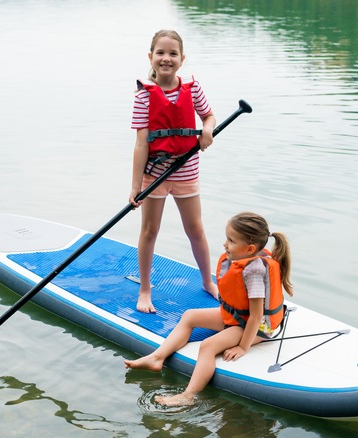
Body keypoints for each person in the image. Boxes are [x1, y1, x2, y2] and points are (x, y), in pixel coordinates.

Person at [124, 212, 294, 406]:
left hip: (257, 327)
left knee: (208, 346)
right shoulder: (245, 259)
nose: (224, 244)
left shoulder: (254, 271)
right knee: (190, 316)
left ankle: (188, 396)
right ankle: (157, 357)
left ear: (250, 249)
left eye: (230, 240)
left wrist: (242, 347)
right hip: (238, 318)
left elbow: (255, 317)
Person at [129, 29, 218, 313]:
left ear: (182, 59)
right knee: (149, 231)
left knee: (195, 228)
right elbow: (141, 143)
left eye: (172, 54)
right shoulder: (143, 96)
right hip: (154, 173)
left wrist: (206, 131)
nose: (166, 59)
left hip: (186, 169)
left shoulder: (192, 89)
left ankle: (208, 282)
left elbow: (209, 116)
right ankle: (145, 290)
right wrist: (135, 186)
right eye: (160, 53)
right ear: (151, 57)